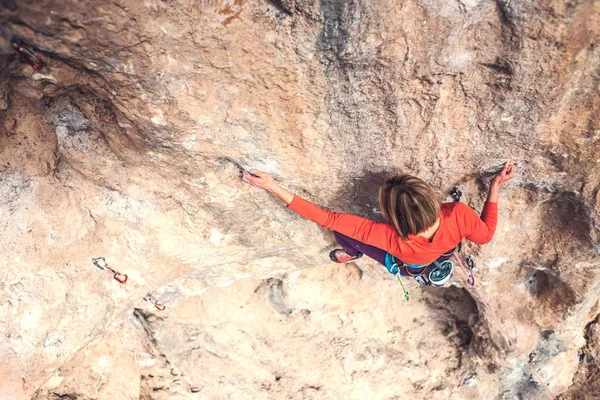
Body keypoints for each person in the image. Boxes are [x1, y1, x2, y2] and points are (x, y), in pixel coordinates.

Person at [242, 162, 517, 287]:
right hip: (435, 254)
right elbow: (486, 235)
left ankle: (352, 253)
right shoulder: (459, 213)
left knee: (340, 231)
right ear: (431, 198)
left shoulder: (387, 236)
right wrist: (495, 187)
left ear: (393, 217)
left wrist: (273, 186)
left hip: (409, 263)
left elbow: (326, 218)